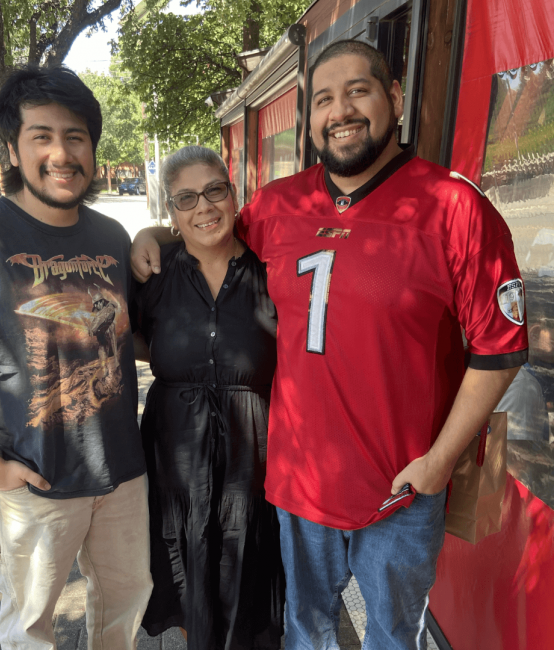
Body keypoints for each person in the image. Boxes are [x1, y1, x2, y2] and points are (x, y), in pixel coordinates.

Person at [131, 40, 529, 649]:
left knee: (394, 637)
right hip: (300, 482)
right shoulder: (278, 205)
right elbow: (209, 230)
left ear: (393, 98)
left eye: (357, 92)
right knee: (306, 630)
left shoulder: (454, 207)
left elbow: (498, 350)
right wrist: (151, 233)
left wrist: (440, 461)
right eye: (322, 99)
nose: (339, 110)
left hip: (402, 486)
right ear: (308, 117)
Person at [0, 66, 152, 650]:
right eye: (41, 136)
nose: (61, 153)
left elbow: (127, 336)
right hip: (31, 478)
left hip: (121, 471)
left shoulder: (113, 235)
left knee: (122, 611)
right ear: (12, 149)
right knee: (29, 629)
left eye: (75, 136)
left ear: (92, 148)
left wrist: (160, 232)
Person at [134, 146, 284, 650]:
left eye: (215, 190)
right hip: (175, 457)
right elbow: (134, 337)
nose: (205, 207)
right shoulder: (153, 277)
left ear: (233, 193)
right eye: (187, 198)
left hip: (253, 460)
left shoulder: (271, 272)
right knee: (187, 567)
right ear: (172, 210)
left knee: (247, 574)